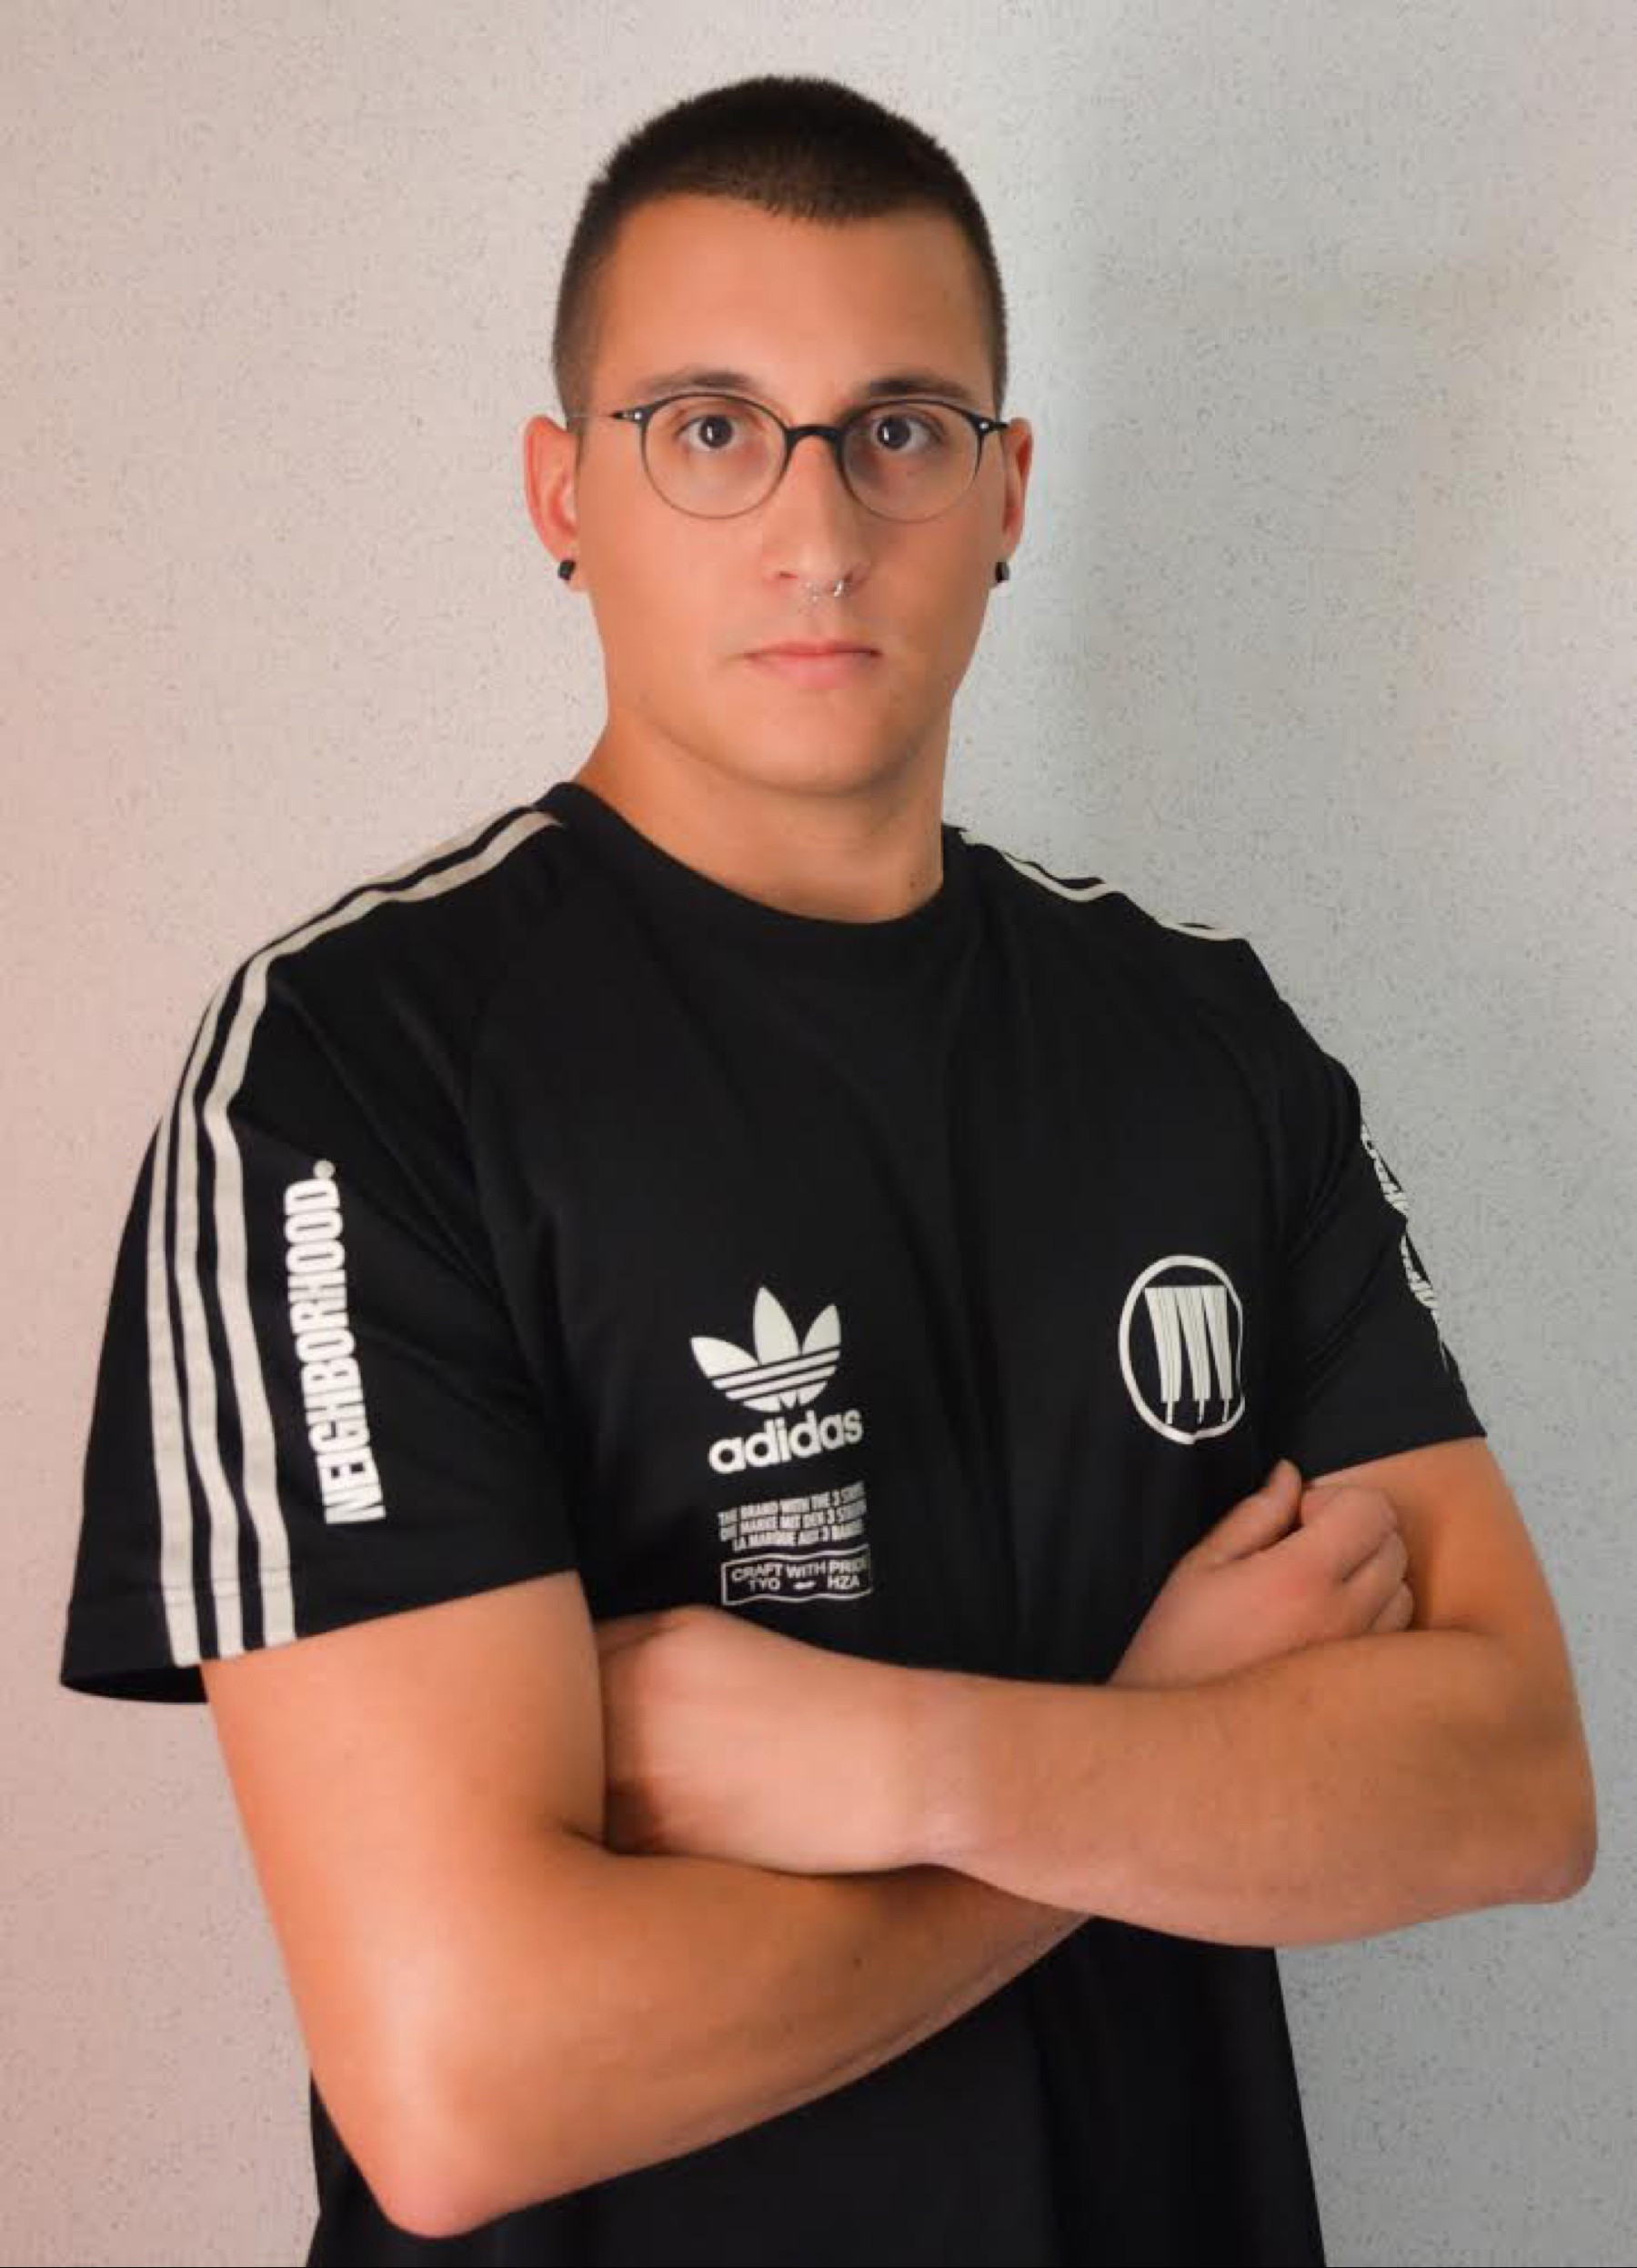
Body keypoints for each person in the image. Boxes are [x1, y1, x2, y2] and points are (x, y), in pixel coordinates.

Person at [58, 71, 1595, 2268]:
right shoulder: (349, 1069)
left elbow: (1514, 1780)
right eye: (711, 426)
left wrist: (904, 1759)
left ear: (1006, 488)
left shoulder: (1204, 1041)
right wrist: (1154, 1741)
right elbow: (468, 2077)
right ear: (562, 489)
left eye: (898, 427)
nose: (819, 528)